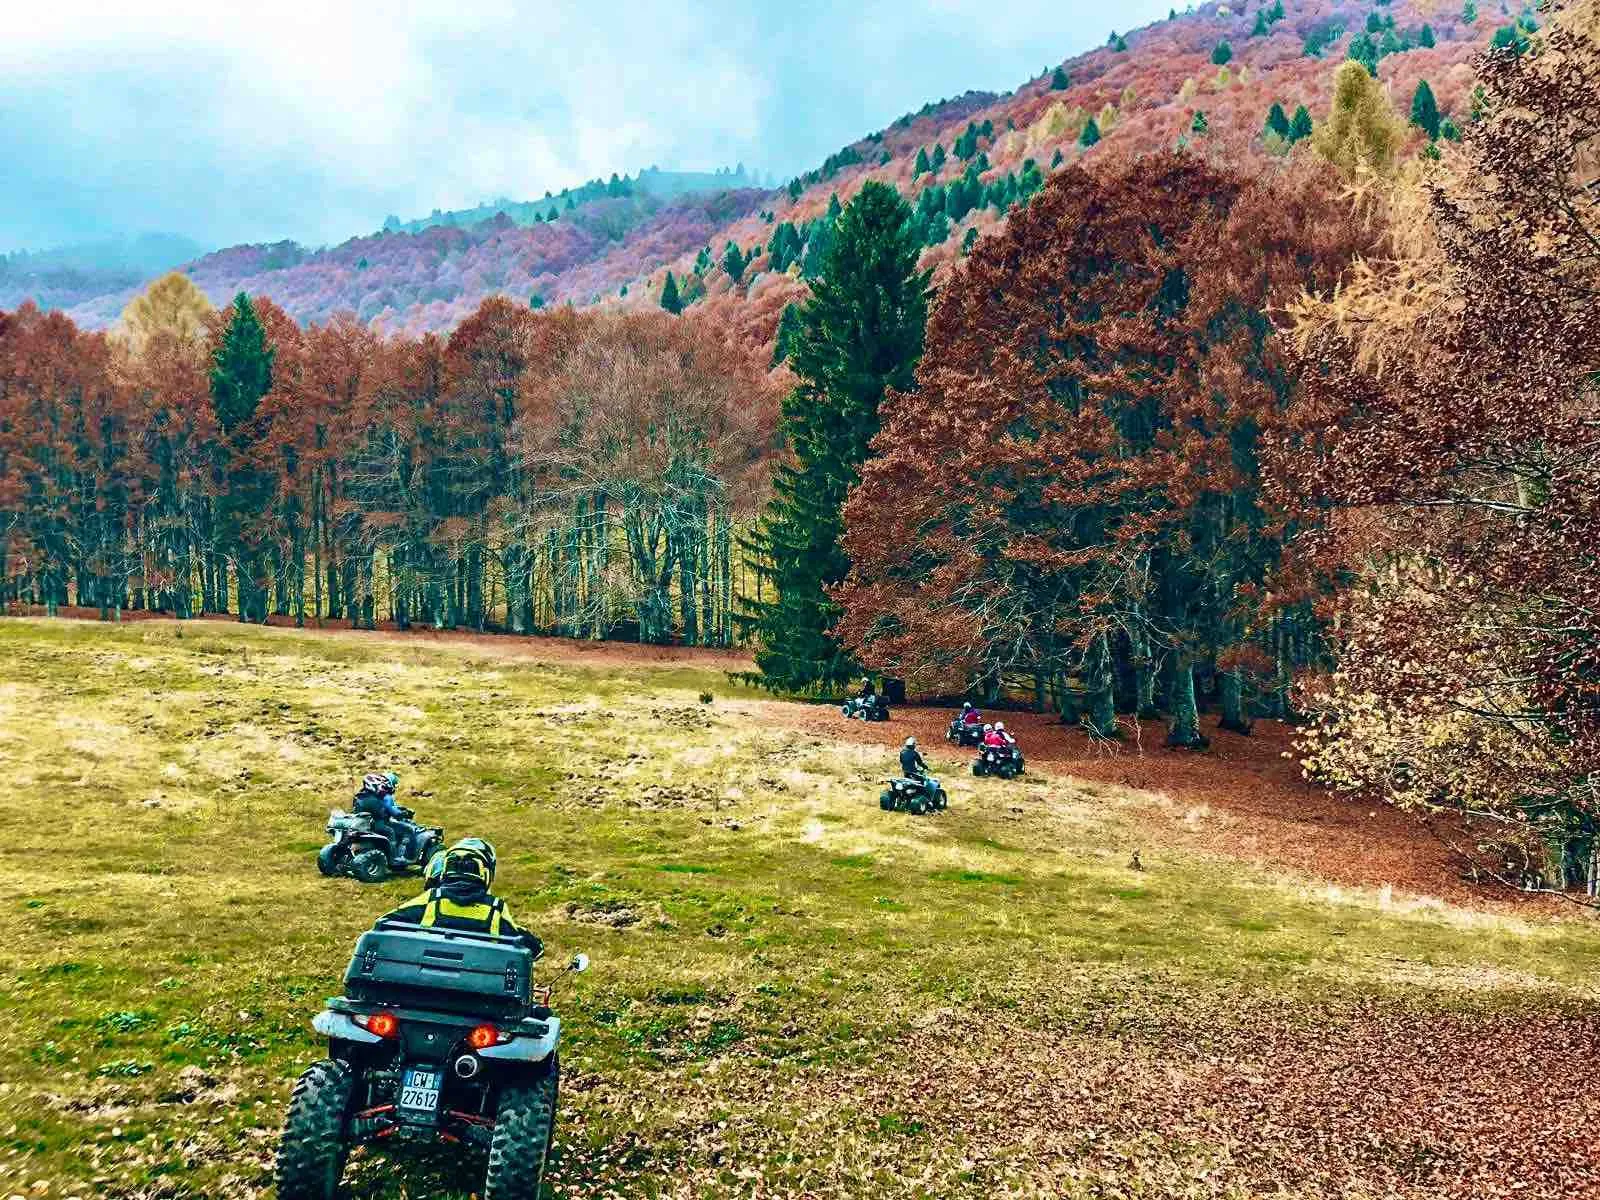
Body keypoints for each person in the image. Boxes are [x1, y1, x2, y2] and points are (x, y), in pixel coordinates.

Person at [379, 838, 544, 958]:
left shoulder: (430, 899)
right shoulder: (495, 909)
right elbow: (533, 948)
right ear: (485, 873)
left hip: (422, 989)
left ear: (446, 869)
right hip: (478, 994)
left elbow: (383, 925)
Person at [353, 771, 413, 867]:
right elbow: (390, 812)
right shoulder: (383, 797)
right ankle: (396, 857)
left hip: (364, 823)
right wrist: (404, 814)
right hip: (377, 824)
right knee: (398, 830)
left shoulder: (360, 796)